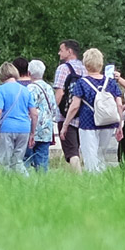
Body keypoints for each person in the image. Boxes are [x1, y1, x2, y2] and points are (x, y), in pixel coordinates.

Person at [64, 49, 125, 173]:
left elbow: (75, 106)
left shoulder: (82, 83)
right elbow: (119, 104)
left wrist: (65, 125)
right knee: (101, 155)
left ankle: (93, 182)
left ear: (86, 64)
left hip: (88, 123)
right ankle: (101, 180)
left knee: (90, 156)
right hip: (108, 122)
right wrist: (120, 125)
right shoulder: (111, 82)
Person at [0, 63, 33, 173]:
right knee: (18, 161)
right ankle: (27, 182)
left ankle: (5, 185)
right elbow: (34, 113)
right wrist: (32, 132)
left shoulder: (1, 89)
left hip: (7, 128)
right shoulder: (25, 90)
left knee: (5, 162)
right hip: (24, 128)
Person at [51, 41, 87, 169]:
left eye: (61, 50)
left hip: (66, 115)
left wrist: (53, 110)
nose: (59, 53)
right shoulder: (86, 68)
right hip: (84, 115)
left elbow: (59, 93)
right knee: (83, 148)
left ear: (70, 51)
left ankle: (78, 178)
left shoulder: (63, 68)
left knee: (72, 152)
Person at [23, 60, 57, 173]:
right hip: (46, 130)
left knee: (25, 160)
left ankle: (24, 184)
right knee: (42, 162)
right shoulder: (49, 88)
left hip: (31, 129)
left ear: (29, 73)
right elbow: (54, 108)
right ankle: (43, 185)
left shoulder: (29, 89)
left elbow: (28, 110)